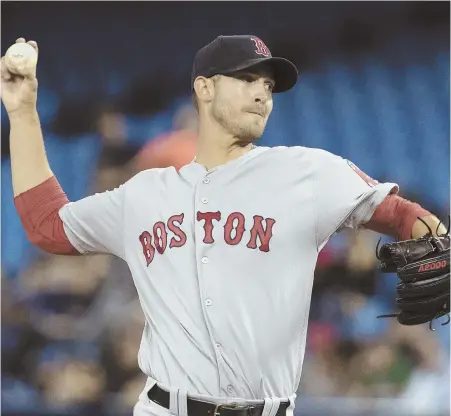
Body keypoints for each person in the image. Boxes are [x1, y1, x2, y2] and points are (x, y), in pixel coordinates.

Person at [2, 35, 447, 416]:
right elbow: (47, 227)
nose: (262, 94)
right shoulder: (143, 194)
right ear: (205, 88)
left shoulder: (308, 172)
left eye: (269, 85)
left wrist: (432, 235)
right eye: (247, 79)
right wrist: (22, 114)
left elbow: (401, 214)